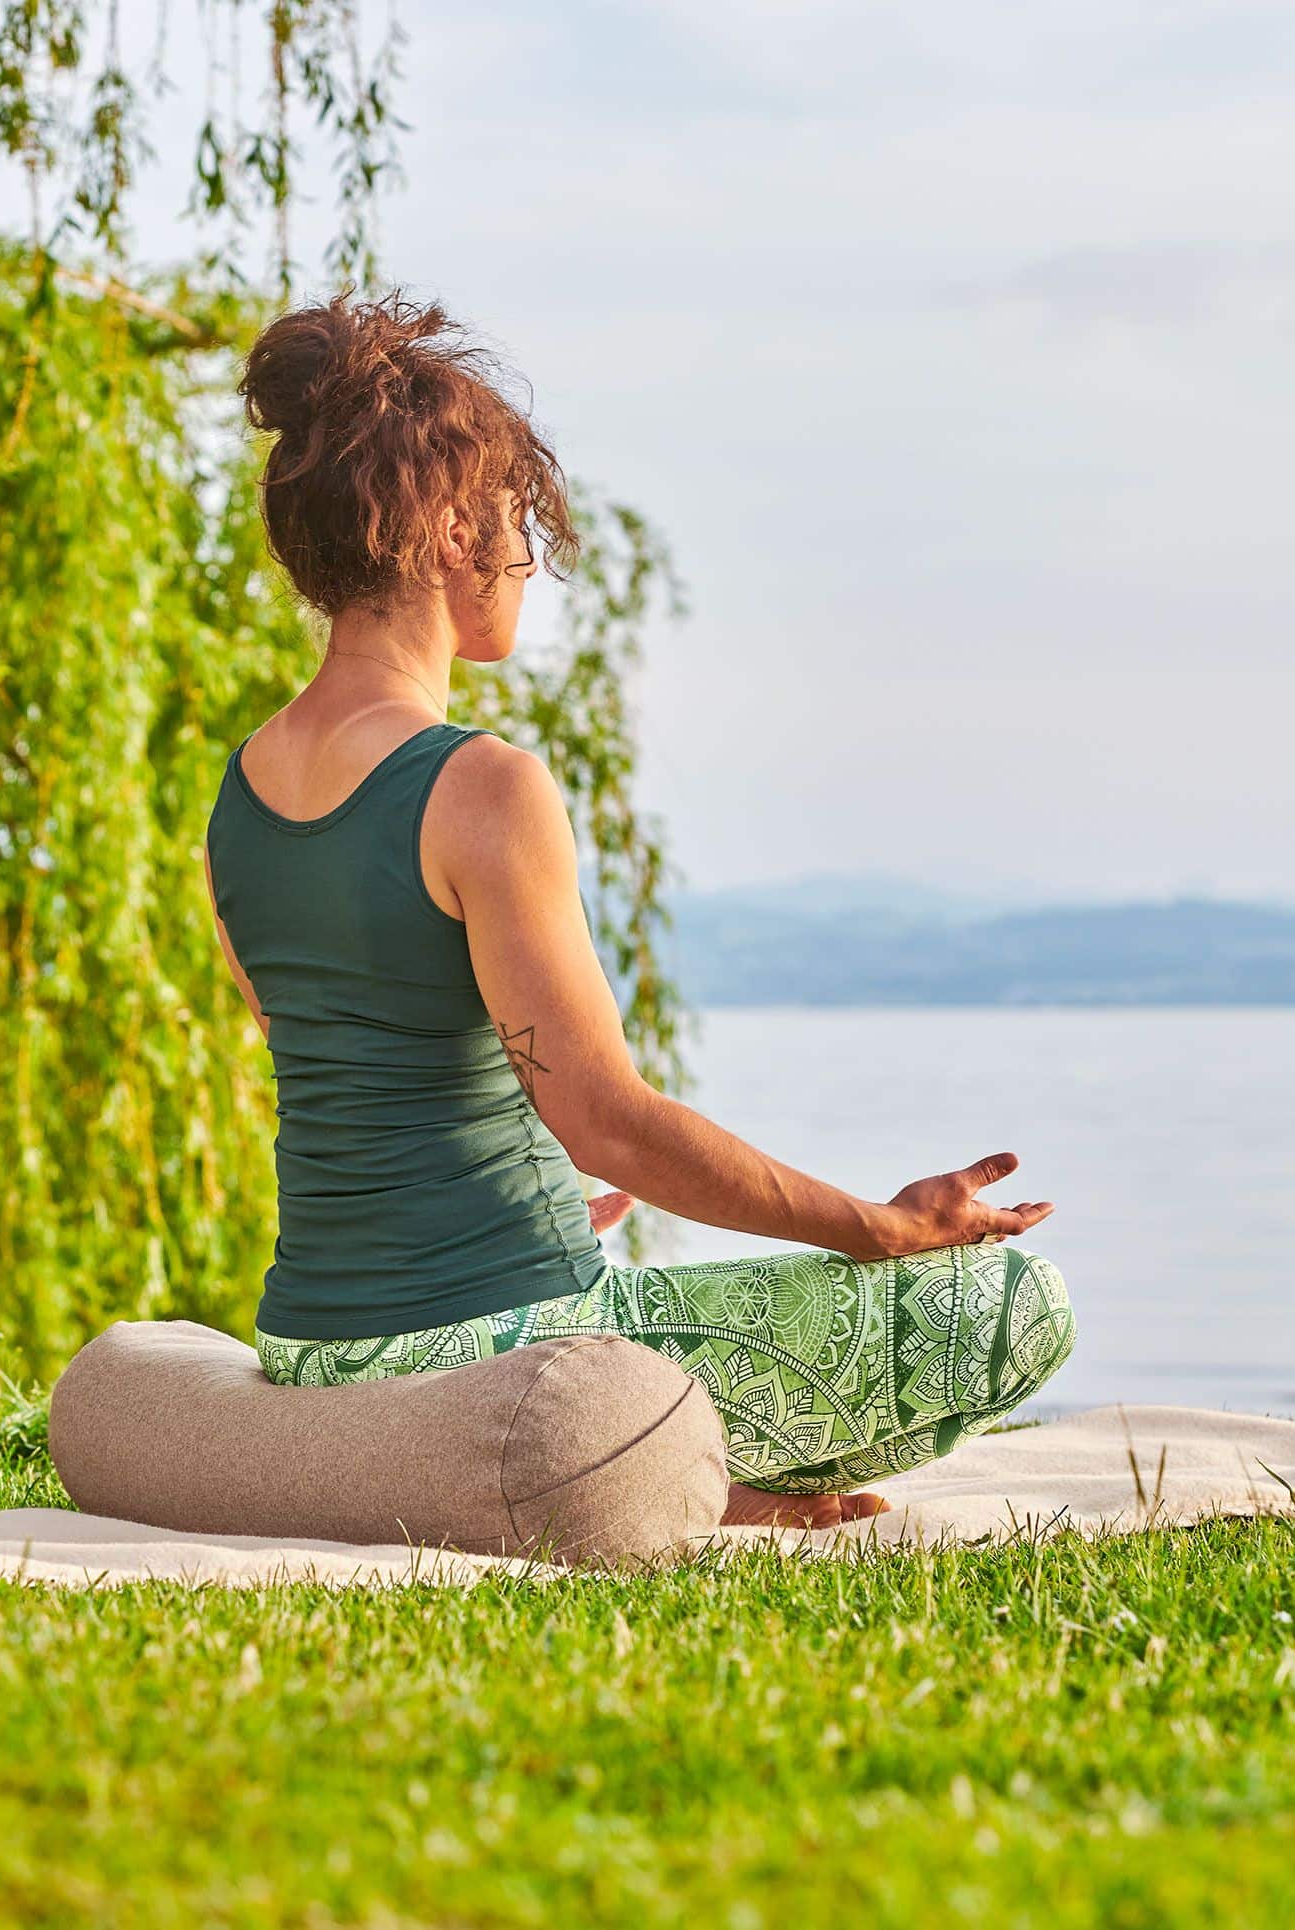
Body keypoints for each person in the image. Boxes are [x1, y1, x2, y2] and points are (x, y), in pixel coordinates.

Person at [203, 292, 1076, 1529]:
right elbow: (609, 1120)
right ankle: (644, 1464)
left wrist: (545, 1179)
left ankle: (667, 1469)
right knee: (1010, 1307)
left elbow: (357, 1071)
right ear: (454, 528)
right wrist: (877, 1226)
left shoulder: (237, 800)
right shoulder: (482, 785)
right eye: (516, 523)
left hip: (312, 1347)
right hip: (502, 1349)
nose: (529, 560)